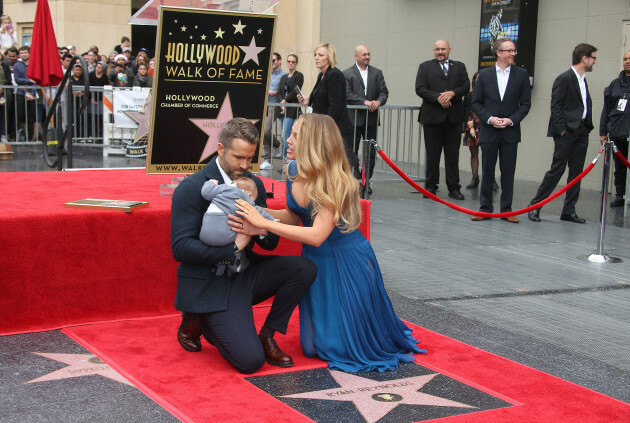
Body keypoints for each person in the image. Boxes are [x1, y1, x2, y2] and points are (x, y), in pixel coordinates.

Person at [234, 113, 424, 372]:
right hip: (316, 259)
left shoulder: (335, 181)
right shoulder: (292, 170)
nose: (287, 140)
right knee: (314, 348)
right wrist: (256, 211)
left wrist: (264, 223)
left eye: (296, 136)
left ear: (314, 143)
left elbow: (317, 234)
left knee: (342, 349)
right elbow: (294, 214)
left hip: (344, 260)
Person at [171, 117, 317, 374]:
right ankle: (200, 318)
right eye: (239, 157)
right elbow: (181, 248)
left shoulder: (254, 184)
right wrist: (233, 249)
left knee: (304, 268)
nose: (245, 165)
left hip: (246, 274)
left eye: (250, 158)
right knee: (250, 362)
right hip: (210, 282)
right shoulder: (193, 187)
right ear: (220, 149)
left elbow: (270, 244)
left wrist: (261, 228)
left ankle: (267, 336)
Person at [527, 43, 597, 224]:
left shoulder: (583, 79)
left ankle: (569, 210)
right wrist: (562, 131)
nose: (594, 62)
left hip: (581, 130)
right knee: (557, 170)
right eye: (593, 58)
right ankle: (535, 206)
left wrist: (586, 126)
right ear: (585, 58)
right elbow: (556, 106)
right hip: (567, 132)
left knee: (576, 172)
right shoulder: (564, 78)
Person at [471, 38, 531, 223]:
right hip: (489, 131)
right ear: (499, 53)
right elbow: (476, 102)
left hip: (510, 132)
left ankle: (507, 210)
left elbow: (526, 104)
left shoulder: (521, 74)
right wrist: (489, 118)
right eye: (509, 51)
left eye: (514, 51)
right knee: (487, 170)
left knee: (508, 171)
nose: (513, 54)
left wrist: (511, 120)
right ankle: (485, 209)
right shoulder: (485, 75)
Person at [415, 39, 470, 200]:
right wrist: (437, 97)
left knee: (453, 155)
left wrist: (452, 93)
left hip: (453, 118)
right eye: (437, 49)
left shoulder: (459, 67)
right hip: (432, 118)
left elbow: (466, 86)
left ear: (449, 50)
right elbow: (420, 88)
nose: (440, 52)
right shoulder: (425, 67)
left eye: (443, 49)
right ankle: (431, 186)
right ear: (434, 51)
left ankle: (454, 187)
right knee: (432, 154)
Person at [297, 43, 358, 173]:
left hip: (334, 130)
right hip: (323, 128)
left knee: (338, 165)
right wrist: (307, 101)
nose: (316, 58)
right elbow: (321, 100)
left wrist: (326, 129)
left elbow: (335, 106)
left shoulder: (334, 75)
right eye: (315, 55)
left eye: (320, 55)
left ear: (329, 57)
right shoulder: (322, 75)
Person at [199, 177, 275, 275]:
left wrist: (211, 182)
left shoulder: (223, 189)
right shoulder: (243, 198)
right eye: (252, 200)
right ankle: (233, 265)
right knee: (239, 234)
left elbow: (206, 191)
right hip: (226, 237)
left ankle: (219, 268)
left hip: (204, 235)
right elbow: (256, 210)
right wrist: (271, 220)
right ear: (249, 195)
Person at [343, 44, 389, 194]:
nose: (367, 57)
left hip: (371, 120)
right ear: (356, 56)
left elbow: (384, 92)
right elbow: (347, 94)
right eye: (364, 55)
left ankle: (365, 181)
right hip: (354, 120)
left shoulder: (377, 73)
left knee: (370, 153)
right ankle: (352, 180)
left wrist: (379, 102)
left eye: (368, 54)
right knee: (351, 152)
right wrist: (365, 102)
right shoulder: (347, 74)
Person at [599, 49, 630, 208]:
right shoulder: (615, 84)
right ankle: (620, 195)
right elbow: (607, 109)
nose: (627, 61)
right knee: (620, 167)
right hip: (618, 132)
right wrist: (603, 132)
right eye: (625, 58)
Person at [260, 52, 286, 169]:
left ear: (279, 61)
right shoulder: (267, 73)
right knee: (263, 131)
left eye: (274, 60)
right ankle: (267, 159)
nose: (272, 63)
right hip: (264, 104)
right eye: (270, 60)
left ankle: (277, 144)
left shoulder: (284, 75)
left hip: (275, 104)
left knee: (266, 130)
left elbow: (284, 91)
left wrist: (281, 100)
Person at [278, 53, 304, 152]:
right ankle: (285, 157)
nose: (290, 63)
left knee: (286, 134)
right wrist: (282, 103)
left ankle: (287, 158)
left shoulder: (299, 75)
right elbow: (279, 91)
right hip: (281, 109)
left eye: (293, 62)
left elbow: (295, 91)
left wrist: (285, 101)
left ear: (296, 63)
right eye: (289, 61)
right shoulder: (284, 76)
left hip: (291, 109)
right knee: (282, 135)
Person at [13, 46, 37, 141]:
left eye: (25, 52)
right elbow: (17, 80)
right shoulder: (17, 65)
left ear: (29, 53)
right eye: (22, 53)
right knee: (19, 115)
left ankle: (30, 137)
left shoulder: (34, 64)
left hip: (32, 93)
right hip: (20, 93)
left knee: (31, 117)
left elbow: (35, 80)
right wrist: (29, 80)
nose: (24, 54)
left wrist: (31, 93)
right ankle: (20, 134)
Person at [463, 72, 480, 189]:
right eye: (476, 79)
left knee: (489, 155)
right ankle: (475, 178)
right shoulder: (469, 96)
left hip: (484, 126)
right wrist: (471, 127)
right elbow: (465, 111)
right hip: (471, 127)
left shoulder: (490, 95)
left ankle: (491, 179)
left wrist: (476, 123)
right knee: (473, 153)